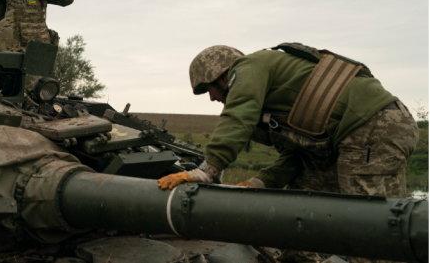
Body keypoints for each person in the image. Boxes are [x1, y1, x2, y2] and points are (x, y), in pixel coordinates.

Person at [158, 44, 419, 263]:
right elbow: (296, 158)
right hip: (360, 134)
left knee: (369, 224)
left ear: (223, 76)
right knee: (301, 198)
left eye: (208, 90)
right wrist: (259, 183)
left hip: (371, 126)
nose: (212, 99)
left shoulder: (249, 67)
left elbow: (238, 117)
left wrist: (207, 170)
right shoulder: (272, 97)